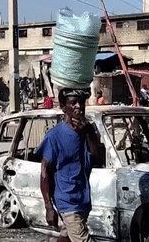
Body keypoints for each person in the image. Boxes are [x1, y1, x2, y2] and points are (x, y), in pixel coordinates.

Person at [36, 88, 98, 242]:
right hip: (67, 201)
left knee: (66, 237)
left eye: (81, 102)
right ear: (64, 108)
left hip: (82, 198)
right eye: (73, 103)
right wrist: (48, 206)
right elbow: (45, 172)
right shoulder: (54, 136)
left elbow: (98, 158)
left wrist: (88, 134)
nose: (78, 106)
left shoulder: (88, 130)